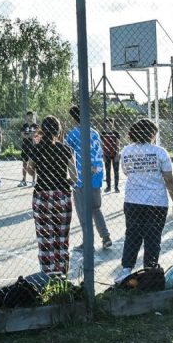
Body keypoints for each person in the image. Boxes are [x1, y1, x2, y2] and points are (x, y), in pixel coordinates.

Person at [115, 118, 173, 282]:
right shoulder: (160, 152)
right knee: (153, 237)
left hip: (133, 200)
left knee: (132, 235)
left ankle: (126, 269)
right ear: (151, 134)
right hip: (156, 202)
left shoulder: (126, 151)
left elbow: (126, 172)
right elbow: (169, 179)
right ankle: (150, 270)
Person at [24, 115, 77, 277]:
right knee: (62, 236)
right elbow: (74, 176)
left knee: (45, 236)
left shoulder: (37, 148)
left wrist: (39, 170)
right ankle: (62, 271)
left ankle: (48, 273)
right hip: (62, 194)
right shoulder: (66, 149)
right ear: (58, 131)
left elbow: (29, 169)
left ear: (42, 130)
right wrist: (67, 181)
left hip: (42, 194)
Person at [65, 106, 112, 250]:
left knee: (83, 212)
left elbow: (64, 151)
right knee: (96, 208)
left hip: (81, 176)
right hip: (96, 175)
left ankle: (88, 241)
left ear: (74, 119)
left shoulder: (74, 133)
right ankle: (105, 236)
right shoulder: (94, 132)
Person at [100, 118, 122, 193]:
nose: (109, 124)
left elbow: (118, 144)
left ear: (113, 124)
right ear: (105, 124)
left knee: (116, 171)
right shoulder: (103, 133)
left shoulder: (116, 133)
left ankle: (116, 187)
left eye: (111, 123)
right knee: (107, 171)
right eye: (108, 123)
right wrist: (103, 155)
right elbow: (101, 145)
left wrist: (117, 154)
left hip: (115, 154)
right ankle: (108, 187)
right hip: (106, 155)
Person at [18, 111, 38, 187]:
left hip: (33, 147)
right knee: (24, 163)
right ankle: (24, 180)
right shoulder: (24, 126)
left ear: (33, 117)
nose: (30, 117)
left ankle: (33, 181)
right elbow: (22, 136)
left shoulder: (36, 126)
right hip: (25, 146)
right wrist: (31, 135)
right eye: (29, 116)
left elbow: (36, 135)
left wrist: (28, 135)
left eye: (31, 115)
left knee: (33, 164)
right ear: (26, 117)